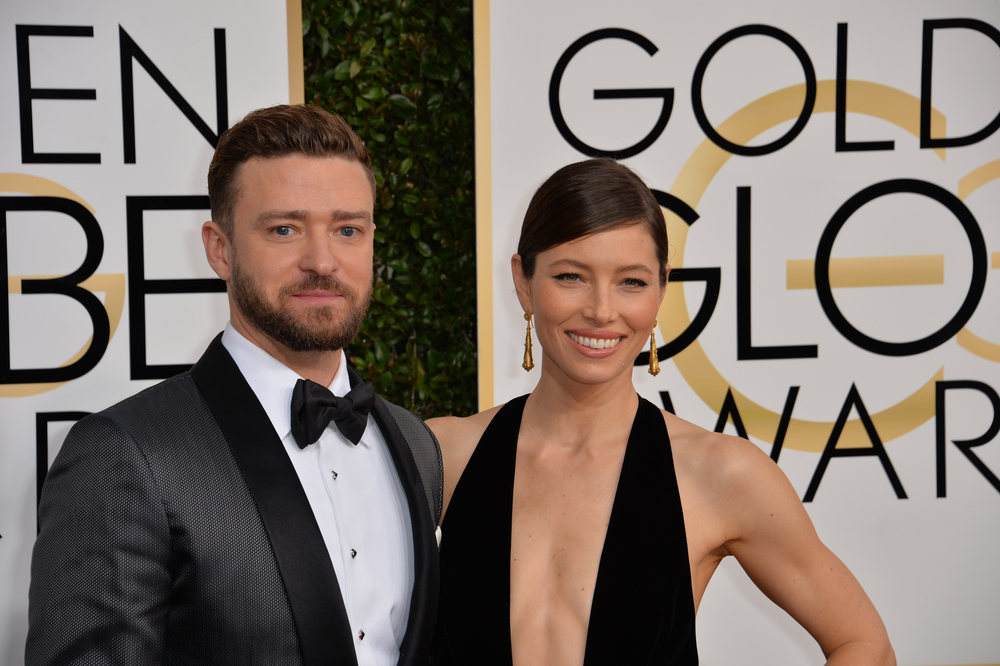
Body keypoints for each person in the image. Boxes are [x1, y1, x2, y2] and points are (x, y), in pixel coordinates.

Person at [428, 158, 895, 665]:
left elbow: (864, 644)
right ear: (523, 282)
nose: (602, 310)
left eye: (631, 282)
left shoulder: (718, 474)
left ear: (661, 288)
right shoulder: (443, 456)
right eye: (570, 276)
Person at [27, 104, 442, 666]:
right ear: (220, 249)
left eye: (348, 229)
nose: (322, 261)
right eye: (284, 229)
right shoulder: (124, 454)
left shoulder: (415, 444)